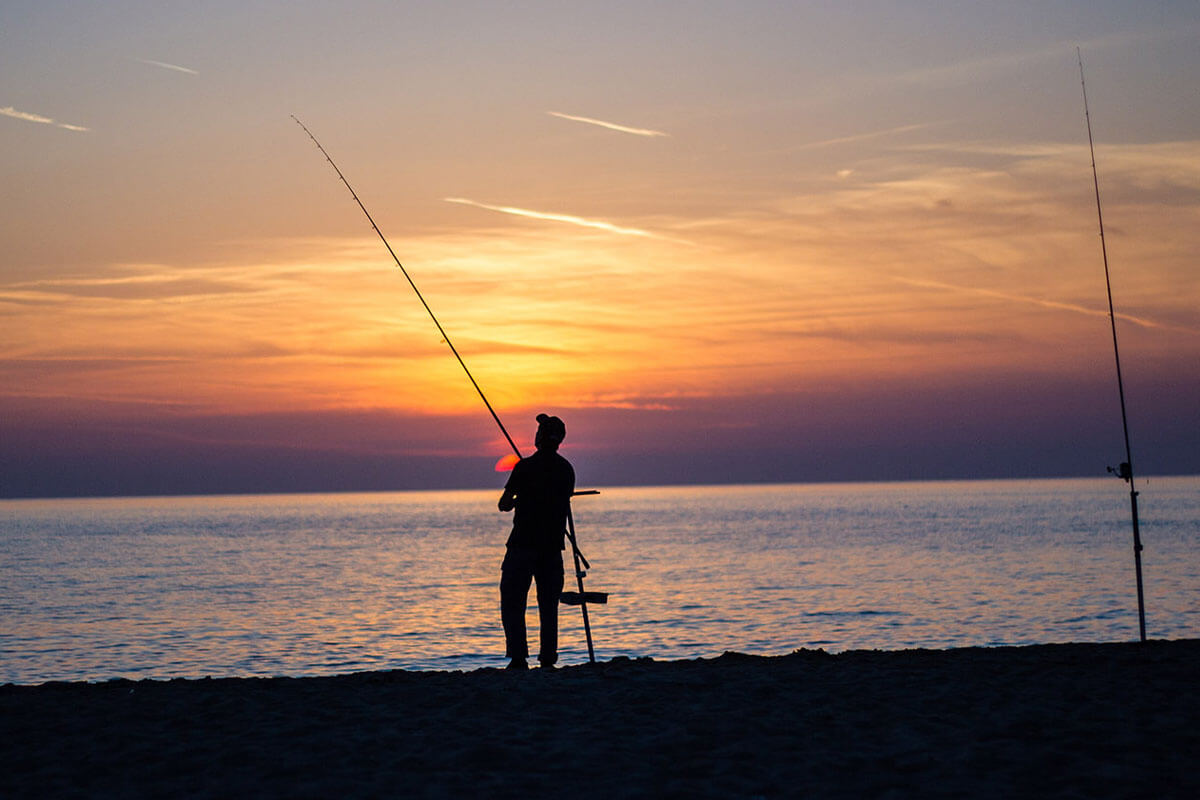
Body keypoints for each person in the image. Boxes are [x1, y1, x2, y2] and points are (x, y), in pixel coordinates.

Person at [497, 413, 575, 670]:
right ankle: (548, 659)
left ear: (539, 438)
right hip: (552, 548)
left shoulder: (524, 467)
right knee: (548, 605)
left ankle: (519, 658)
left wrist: (522, 498)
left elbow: (504, 504)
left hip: (522, 546)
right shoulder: (566, 470)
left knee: (513, 601)